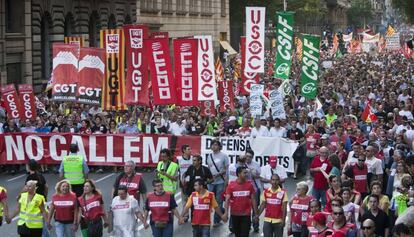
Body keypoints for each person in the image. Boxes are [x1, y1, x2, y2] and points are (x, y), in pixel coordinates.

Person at [223, 166, 258, 237]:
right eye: (244, 173)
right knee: (237, 234)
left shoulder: (250, 185)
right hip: (235, 214)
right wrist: (226, 213)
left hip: (246, 215)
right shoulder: (231, 185)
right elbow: (227, 200)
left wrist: (256, 214)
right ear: (238, 174)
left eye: (246, 173)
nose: (246, 174)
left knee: (245, 234)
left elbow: (253, 200)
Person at [206, 140, 229, 226]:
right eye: (212, 145)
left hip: (220, 182)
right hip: (211, 182)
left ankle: (216, 220)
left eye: (216, 145)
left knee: (219, 201)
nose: (214, 146)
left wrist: (219, 175)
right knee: (210, 200)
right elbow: (209, 168)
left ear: (219, 146)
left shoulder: (224, 156)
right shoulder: (209, 156)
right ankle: (218, 213)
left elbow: (226, 169)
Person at [177, 144, 193, 214]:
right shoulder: (179, 159)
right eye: (188, 149)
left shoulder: (193, 159)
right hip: (183, 183)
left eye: (190, 149)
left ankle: (193, 214)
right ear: (184, 151)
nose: (190, 150)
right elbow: (177, 171)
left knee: (193, 199)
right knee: (184, 200)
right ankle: (186, 215)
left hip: (192, 183)